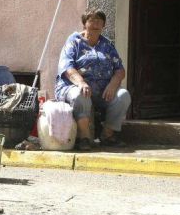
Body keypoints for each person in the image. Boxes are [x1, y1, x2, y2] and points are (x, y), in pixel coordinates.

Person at [55, 9, 131, 151]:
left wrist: (113, 84)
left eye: (99, 21)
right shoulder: (74, 42)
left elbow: (119, 69)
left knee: (123, 95)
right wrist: (81, 82)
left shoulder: (107, 45)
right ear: (85, 23)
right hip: (73, 87)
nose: (96, 24)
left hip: (102, 91)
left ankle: (107, 135)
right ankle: (84, 138)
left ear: (104, 25)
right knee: (81, 94)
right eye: (92, 20)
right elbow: (67, 68)